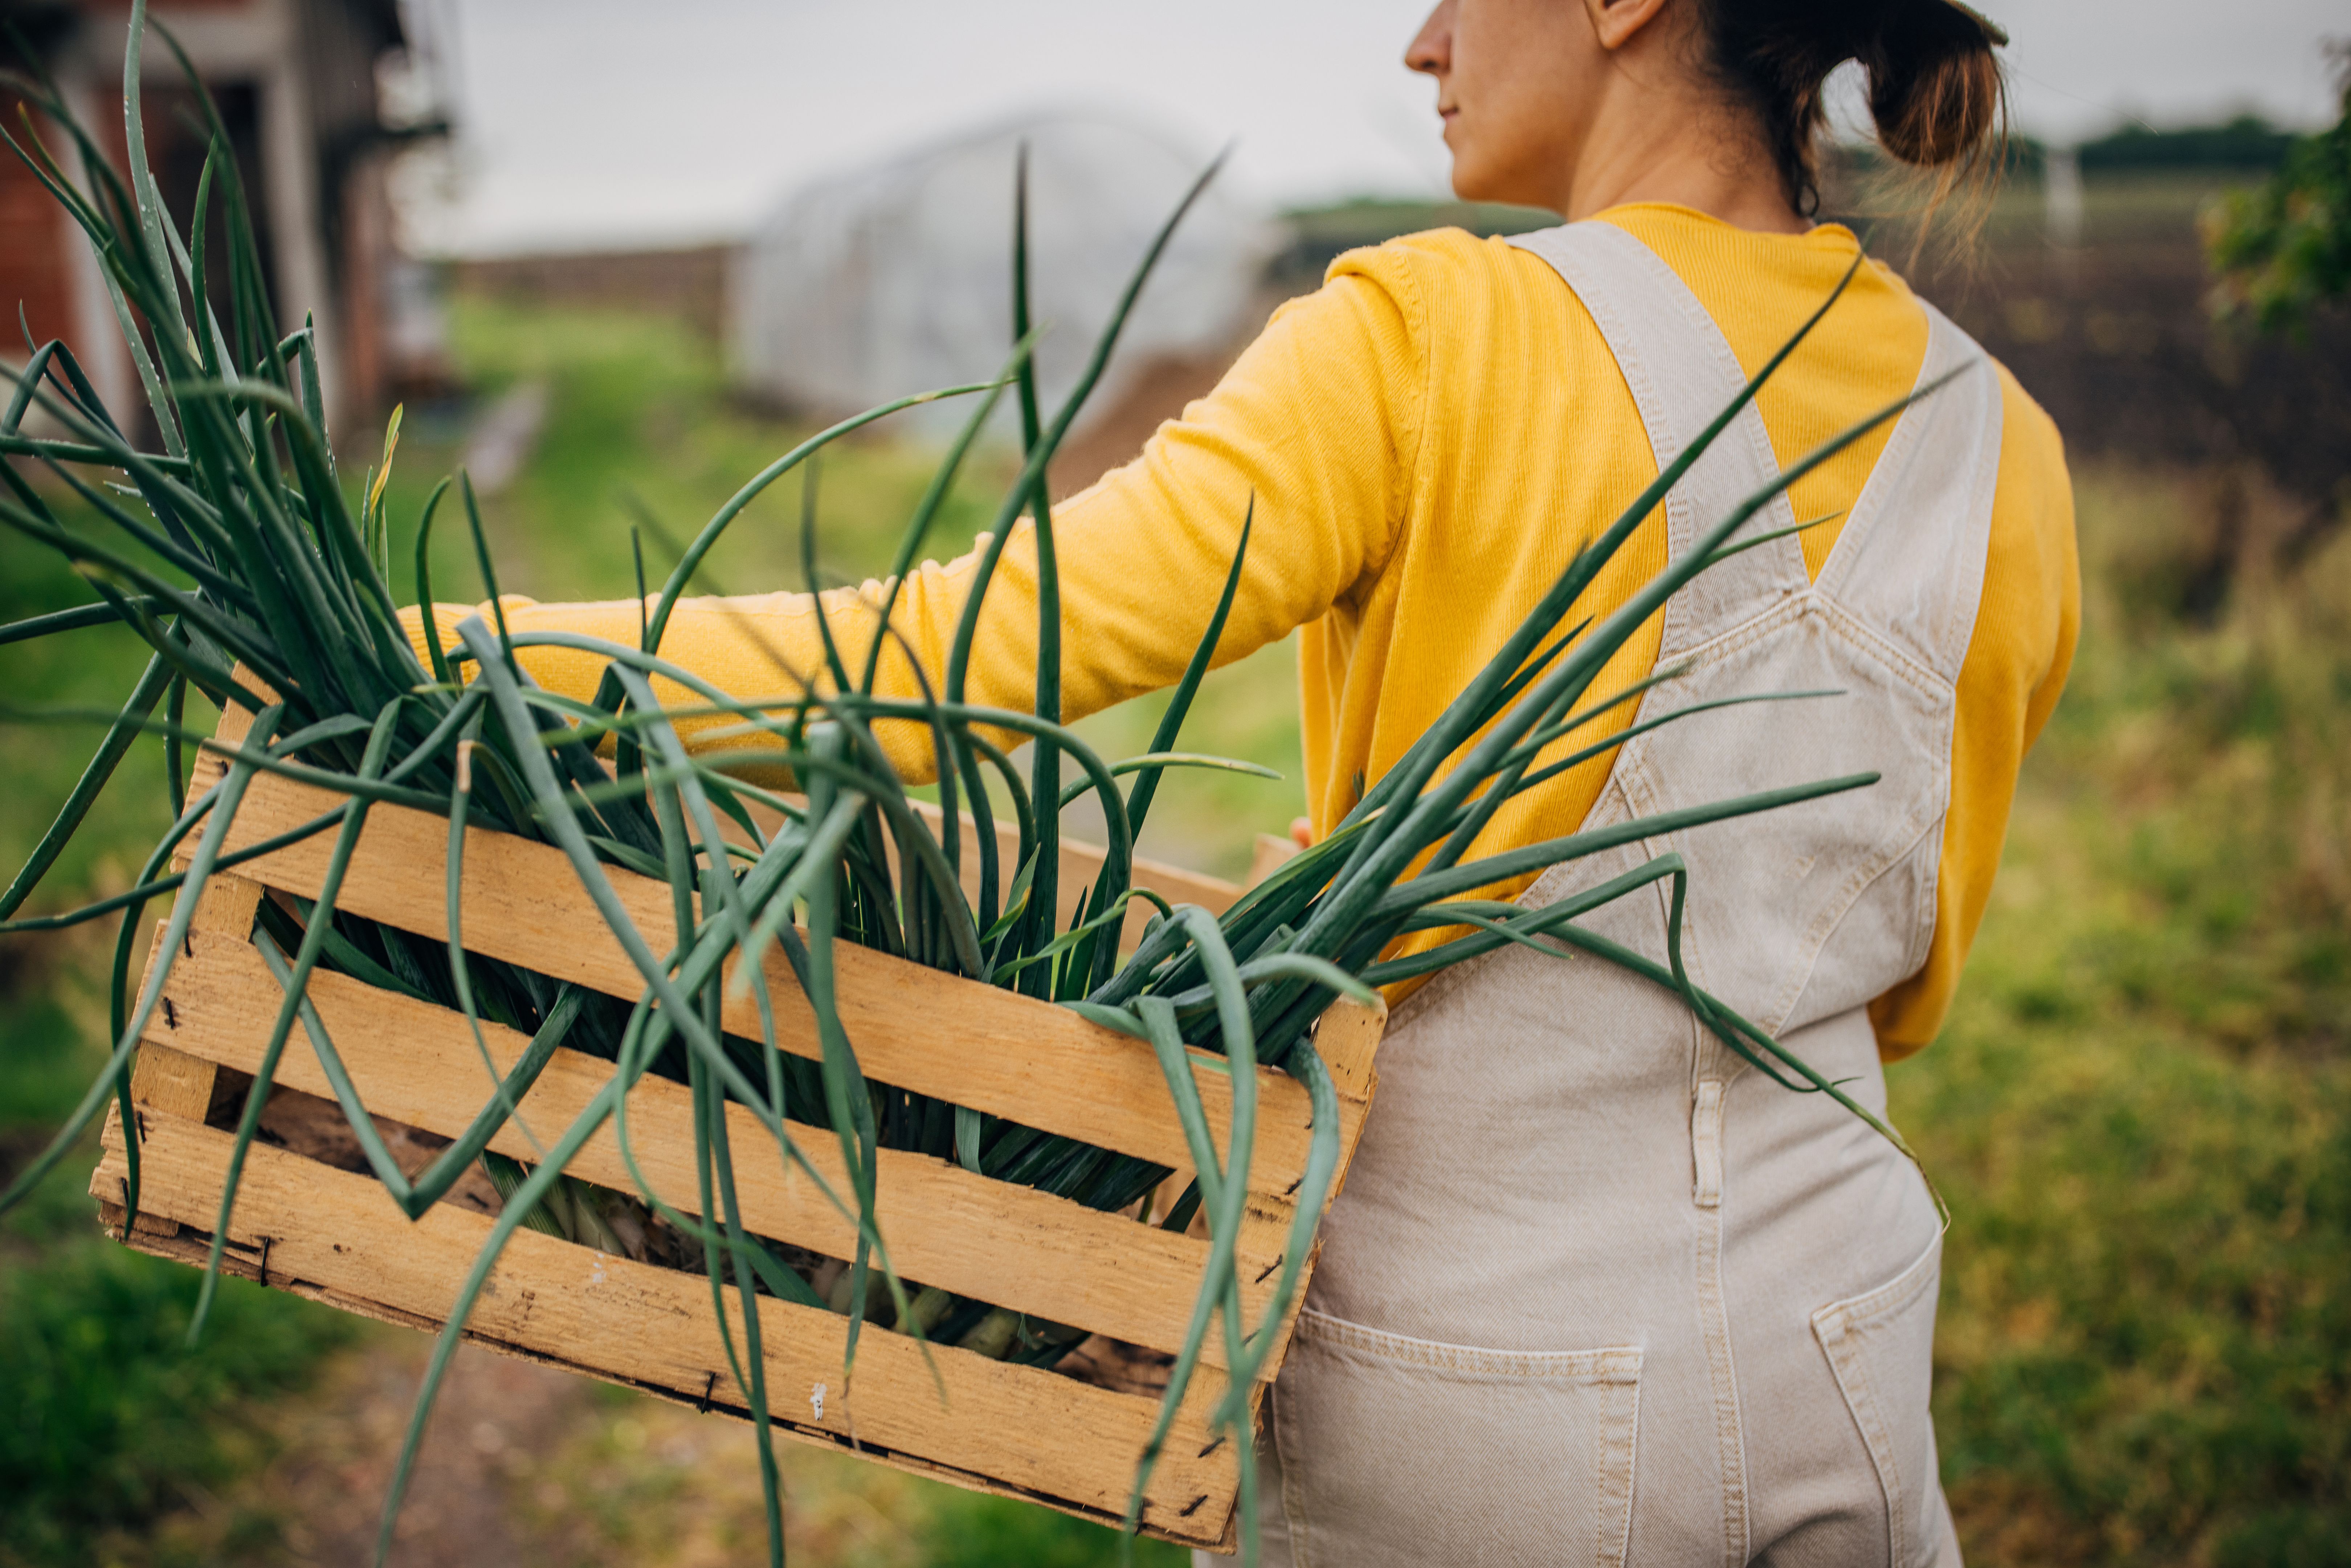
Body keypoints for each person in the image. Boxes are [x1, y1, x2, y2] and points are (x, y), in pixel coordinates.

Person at [414, 0, 2077, 1560]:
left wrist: (450, 654)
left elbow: (953, 649)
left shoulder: (1435, 333)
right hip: (1847, 1343)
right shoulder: (2002, 443)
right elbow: (1907, 979)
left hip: (1480, 1388)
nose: (1422, 39)